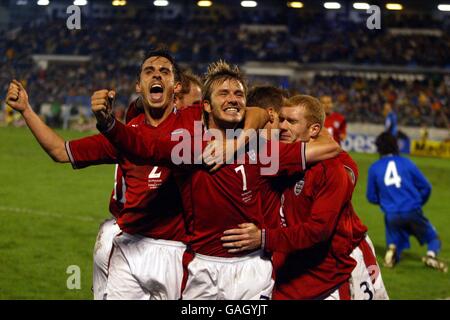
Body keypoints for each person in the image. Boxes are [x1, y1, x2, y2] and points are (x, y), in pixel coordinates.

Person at [94, 61, 341, 299]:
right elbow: (141, 146)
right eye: (223, 93)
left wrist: (238, 141)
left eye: (238, 94)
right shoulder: (189, 149)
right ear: (207, 106)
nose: (233, 98)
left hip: (253, 270)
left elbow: (330, 148)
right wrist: (108, 124)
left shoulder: (263, 151)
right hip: (202, 270)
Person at [5, 50, 191, 300]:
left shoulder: (193, 125)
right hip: (129, 247)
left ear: (176, 86)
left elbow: (246, 117)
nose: (156, 74)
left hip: (176, 249)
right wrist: (26, 110)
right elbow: (61, 151)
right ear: (139, 85)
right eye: (149, 71)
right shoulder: (124, 135)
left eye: (164, 71)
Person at [221, 94, 389, 300]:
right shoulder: (271, 156)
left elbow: (319, 228)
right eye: (280, 120)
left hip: (340, 257)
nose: (282, 127)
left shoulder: (332, 166)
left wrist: (264, 238)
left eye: (290, 121)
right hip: (291, 263)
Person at [367, 132, 447, 272]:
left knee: (396, 241)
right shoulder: (406, 162)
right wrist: (418, 202)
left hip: (391, 214)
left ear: (379, 148)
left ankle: (392, 251)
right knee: (434, 238)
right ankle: (431, 256)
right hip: (412, 209)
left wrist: (387, 203)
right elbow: (426, 186)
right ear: (395, 145)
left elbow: (371, 196)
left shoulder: (374, 167)